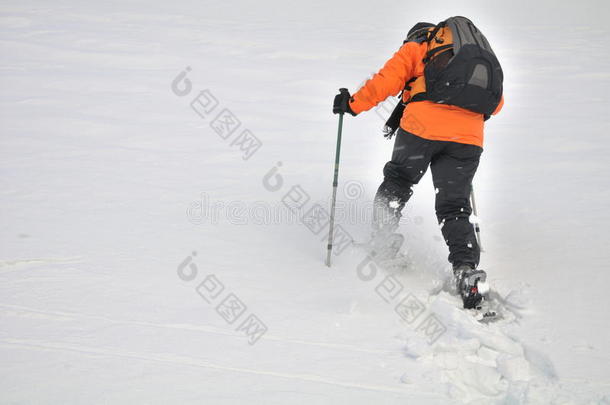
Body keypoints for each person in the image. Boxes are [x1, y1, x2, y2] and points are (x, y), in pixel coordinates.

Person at [333, 19, 504, 308]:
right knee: (455, 205)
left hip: (420, 129)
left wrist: (352, 105)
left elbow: (386, 81)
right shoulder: (470, 53)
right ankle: (467, 272)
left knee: (398, 180)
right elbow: (496, 104)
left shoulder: (418, 48)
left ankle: (383, 246)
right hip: (467, 138)